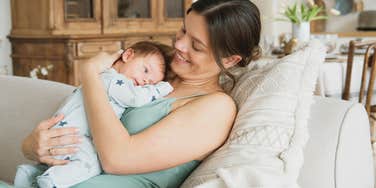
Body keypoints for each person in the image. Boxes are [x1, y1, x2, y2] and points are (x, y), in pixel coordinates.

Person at [18, 0, 261, 187]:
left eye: (196, 45)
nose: (179, 45)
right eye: (183, 30)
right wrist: (33, 145)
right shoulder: (157, 68)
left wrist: (90, 72)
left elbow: (117, 159)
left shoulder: (215, 108)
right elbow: (78, 111)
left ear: (229, 59)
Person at [14, 41, 174, 188]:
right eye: (145, 70)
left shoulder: (99, 78)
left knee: (58, 161)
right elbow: (135, 98)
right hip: (74, 134)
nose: (145, 81)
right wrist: (160, 88)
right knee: (90, 163)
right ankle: (52, 182)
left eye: (151, 82)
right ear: (127, 55)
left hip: (63, 130)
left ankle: (28, 175)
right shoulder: (113, 81)